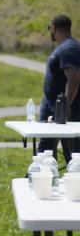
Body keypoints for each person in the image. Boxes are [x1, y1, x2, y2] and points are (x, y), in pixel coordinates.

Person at [38, 14, 80, 160]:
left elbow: (74, 78)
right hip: (51, 105)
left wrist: (65, 106)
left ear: (53, 28)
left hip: (66, 110)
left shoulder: (70, 48)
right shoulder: (63, 47)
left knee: (72, 152)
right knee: (45, 150)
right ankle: (43, 173)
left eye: (49, 28)